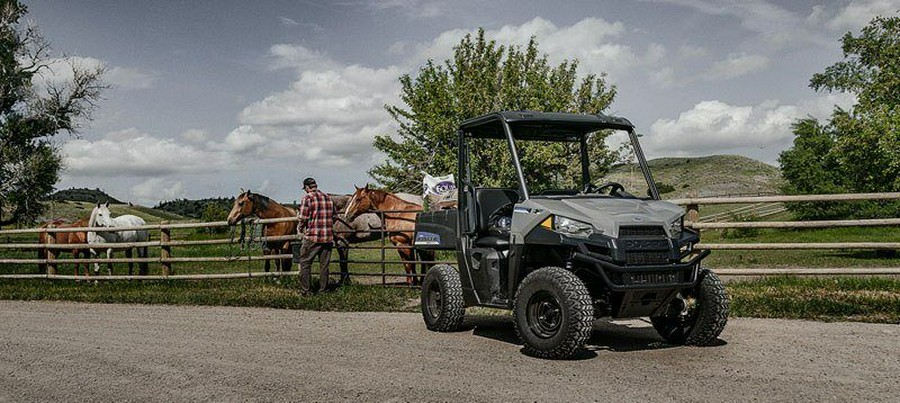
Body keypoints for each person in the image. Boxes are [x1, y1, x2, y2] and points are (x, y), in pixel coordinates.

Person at [296, 177, 335, 296]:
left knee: (305, 263)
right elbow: (334, 216)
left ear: (307, 187)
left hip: (313, 236)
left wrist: (300, 227)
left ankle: (306, 291)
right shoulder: (328, 197)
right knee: (324, 265)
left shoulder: (307, 198)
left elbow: (303, 217)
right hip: (327, 237)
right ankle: (323, 290)